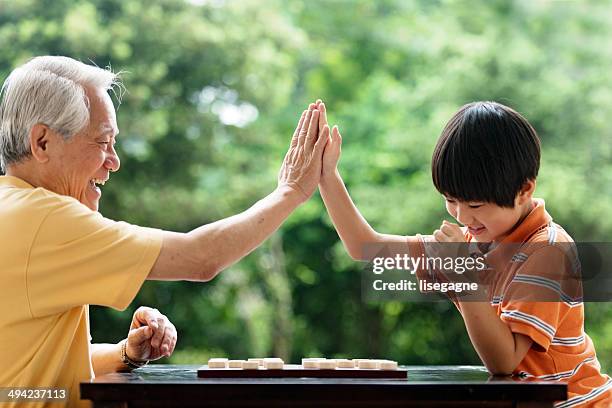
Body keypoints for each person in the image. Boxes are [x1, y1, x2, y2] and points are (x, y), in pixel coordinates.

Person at [0, 56, 326, 407]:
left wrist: (126, 354)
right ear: (43, 142)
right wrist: (291, 192)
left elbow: (30, 375)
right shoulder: (47, 220)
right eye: (102, 141)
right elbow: (201, 257)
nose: (114, 160)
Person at [316, 100, 611, 407]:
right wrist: (327, 176)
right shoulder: (472, 241)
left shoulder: (548, 250)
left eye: (475, 206)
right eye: (450, 200)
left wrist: (464, 277)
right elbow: (365, 246)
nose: (462, 217)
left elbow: (504, 362)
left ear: (524, 190)